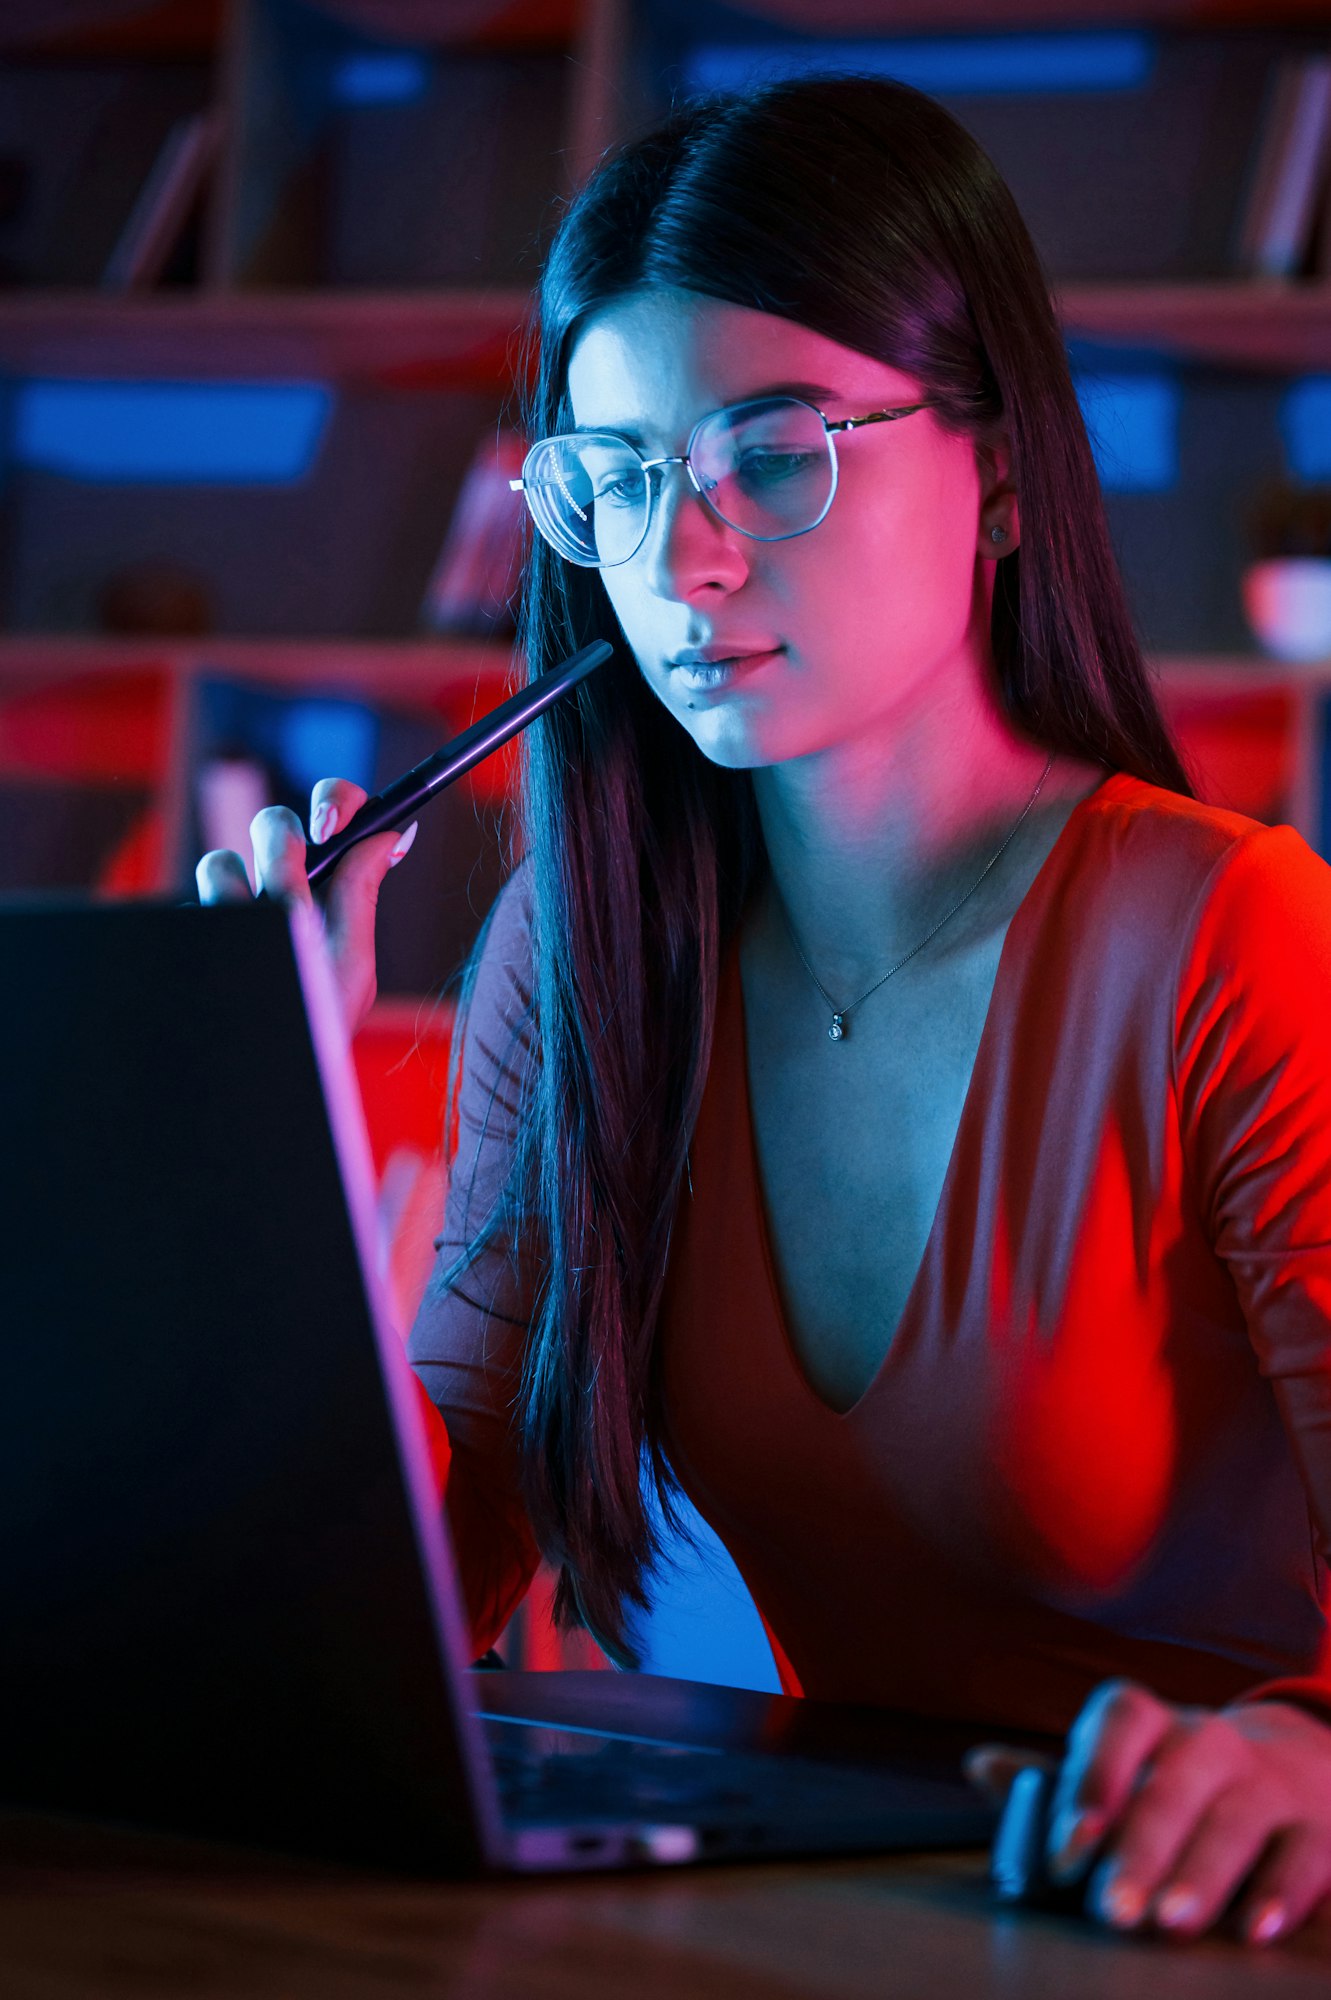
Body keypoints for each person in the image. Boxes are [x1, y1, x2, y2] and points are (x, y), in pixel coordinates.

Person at [198, 75, 1331, 1947]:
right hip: (856, 1919)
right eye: (616, 477)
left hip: (1214, 1924)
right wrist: (266, 1119)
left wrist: (1302, 1758)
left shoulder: (1229, 935)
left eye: (772, 450)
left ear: (1002, 479)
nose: (680, 557)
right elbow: (381, 1619)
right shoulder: (581, 956)